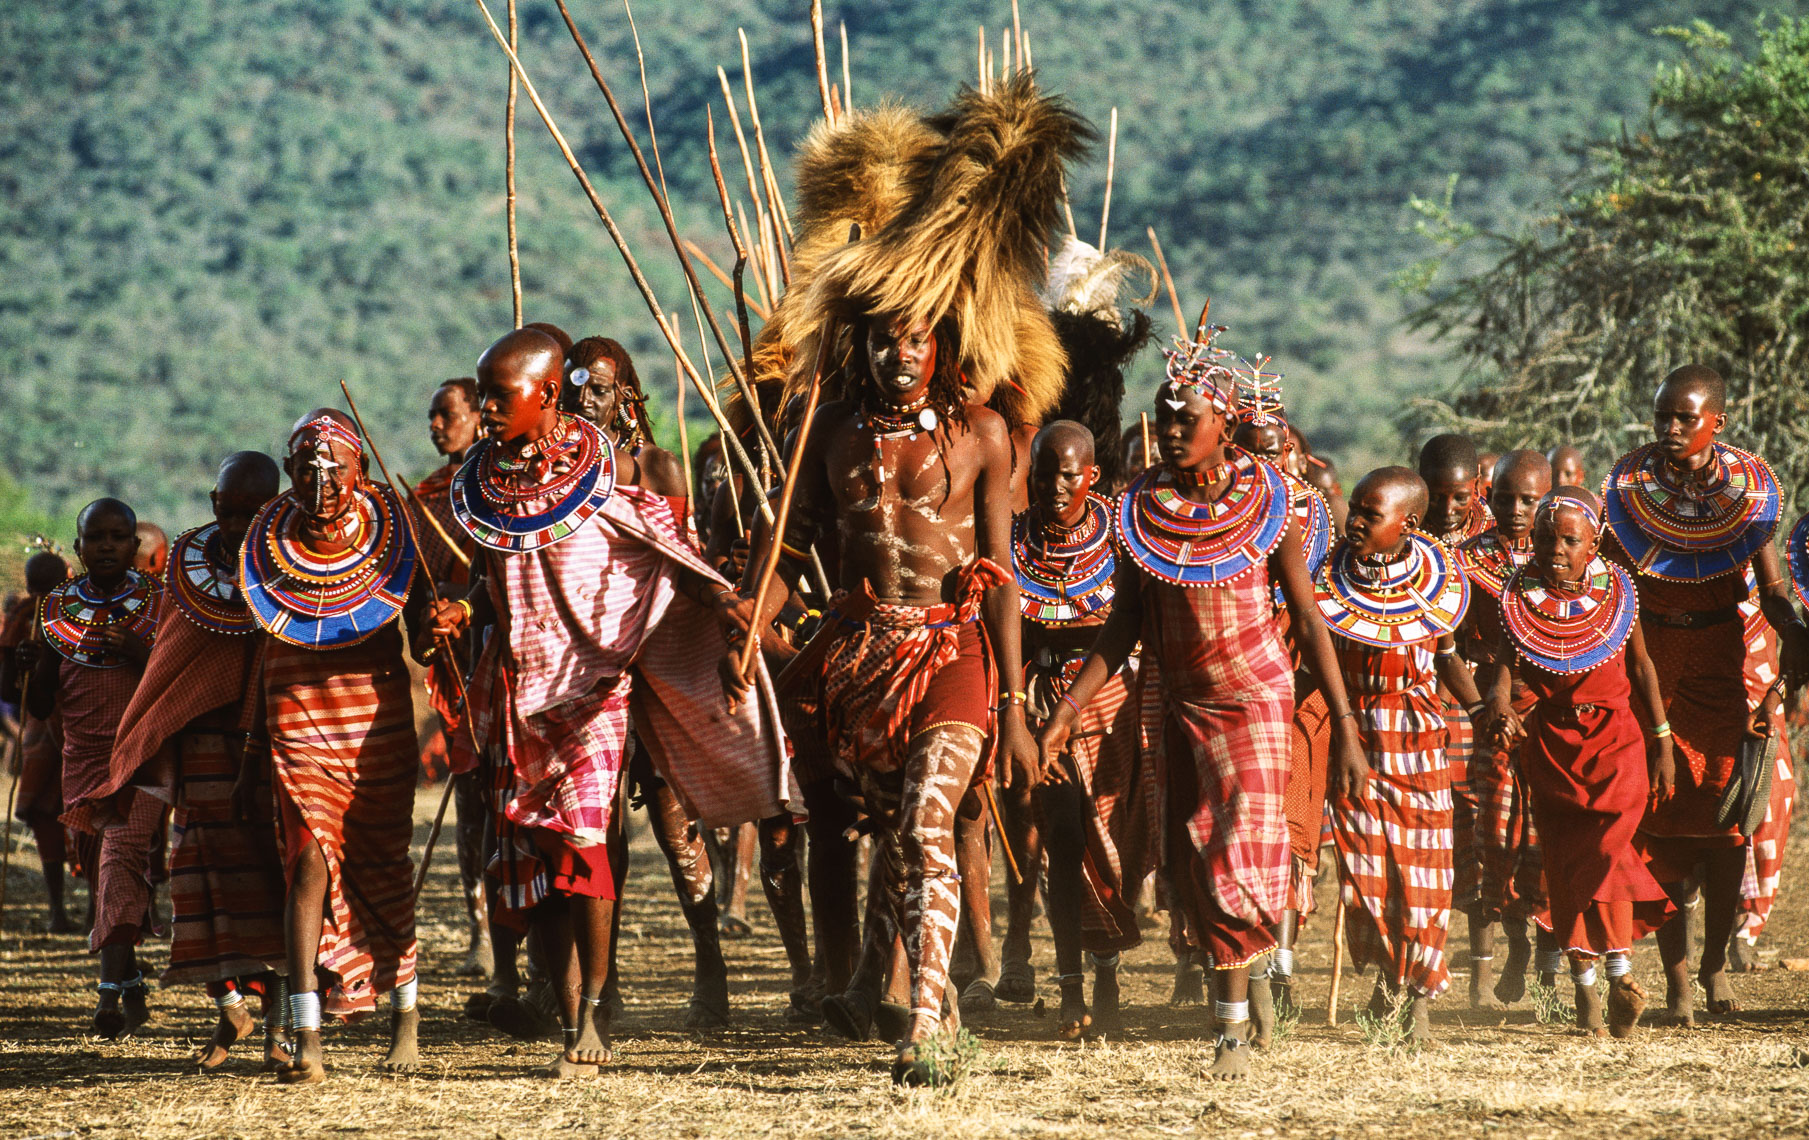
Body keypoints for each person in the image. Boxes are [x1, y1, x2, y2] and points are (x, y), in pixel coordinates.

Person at [426, 328, 790, 1078]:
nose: (487, 410)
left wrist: (729, 606)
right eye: (484, 395)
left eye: (500, 397)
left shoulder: (609, 473)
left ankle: (593, 1008)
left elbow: (668, 557)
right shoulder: (480, 483)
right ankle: (565, 1015)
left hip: (597, 691)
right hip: (519, 696)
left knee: (586, 844)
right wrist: (460, 614)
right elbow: (484, 587)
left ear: (547, 395)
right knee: (540, 859)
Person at [1039, 330, 1367, 1079]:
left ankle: (1229, 1036)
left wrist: (1345, 726)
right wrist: (1066, 709)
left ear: (1223, 421)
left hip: (1254, 697)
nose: (1175, 430)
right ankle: (1245, 992)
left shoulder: (1270, 500)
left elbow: (1309, 620)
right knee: (1193, 859)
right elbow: (1123, 624)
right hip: (1178, 703)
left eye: (1190, 418)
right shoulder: (1139, 509)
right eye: (1166, 417)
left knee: (1235, 851)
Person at [1601, 365, 1806, 1024]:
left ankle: (1715, 962)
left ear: (1717, 420)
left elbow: (1771, 591)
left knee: (1724, 830)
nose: (1668, 429)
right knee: (1660, 828)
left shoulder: (1744, 494)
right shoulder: (1630, 490)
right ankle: (1678, 981)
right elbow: (1610, 584)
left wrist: (1797, 634)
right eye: (1661, 416)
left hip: (1720, 671)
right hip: (1651, 668)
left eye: (1683, 418)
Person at [557, 334, 737, 1029]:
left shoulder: (658, 469)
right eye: (574, 390)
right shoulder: (550, 476)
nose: (584, 401)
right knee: (597, 833)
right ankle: (603, 989)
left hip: (657, 660)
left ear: (626, 398)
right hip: (586, 673)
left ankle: (710, 962)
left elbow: (681, 563)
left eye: (598, 389)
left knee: (675, 828)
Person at [241, 410, 427, 1082]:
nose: (321, 483)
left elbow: (426, 630)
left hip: (373, 724)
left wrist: (450, 629)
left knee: (383, 863)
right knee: (308, 865)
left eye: (336, 469)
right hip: (294, 713)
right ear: (288, 472)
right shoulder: (263, 546)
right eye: (307, 469)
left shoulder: (394, 533)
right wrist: (247, 745)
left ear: (363, 472)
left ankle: (405, 1018)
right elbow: (260, 647)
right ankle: (308, 1033)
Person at [109, 452, 290, 1069]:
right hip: (197, 753)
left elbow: (285, 661)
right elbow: (169, 659)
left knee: (272, 883)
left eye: (252, 511)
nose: (238, 522)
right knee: (201, 882)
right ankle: (230, 1007)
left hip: (267, 751)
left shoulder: (293, 565)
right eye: (228, 508)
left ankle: (279, 1025)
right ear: (212, 501)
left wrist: (258, 742)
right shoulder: (188, 566)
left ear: (274, 504)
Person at [1479, 488, 1676, 1037]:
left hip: (1617, 740)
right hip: (1553, 744)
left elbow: (1641, 668)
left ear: (1594, 544)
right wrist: (1497, 702)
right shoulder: (1518, 594)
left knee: (1611, 846)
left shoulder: (1620, 590)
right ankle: (1594, 985)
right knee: (1567, 864)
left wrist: (1661, 739)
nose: (1555, 548)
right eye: (1546, 538)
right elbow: (1503, 663)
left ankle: (1614, 972)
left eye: (1570, 539)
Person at [1319, 467, 1483, 1043]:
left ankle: (1417, 1001)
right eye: (1355, 509)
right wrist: (1339, 738)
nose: (1355, 521)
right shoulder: (1327, 578)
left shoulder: (1438, 577)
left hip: (1419, 738)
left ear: (1408, 523)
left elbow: (1446, 657)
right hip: (1354, 736)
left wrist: (1481, 710)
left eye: (1370, 514)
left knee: (1426, 874)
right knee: (1368, 870)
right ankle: (1391, 978)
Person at [1012, 420, 1151, 1039]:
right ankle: (1071, 987)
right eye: (1044, 472)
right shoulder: (1012, 540)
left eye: (1069, 474)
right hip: (1040, 701)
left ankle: (1106, 970)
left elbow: (1130, 627)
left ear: (1091, 474)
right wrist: (1017, 713)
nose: (1055, 486)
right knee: (1063, 843)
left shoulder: (1122, 535)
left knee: (1110, 846)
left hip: (1110, 700)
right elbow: (1006, 633)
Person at [17, 499, 162, 1037]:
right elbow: (38, 703)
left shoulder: (158, 607)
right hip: (81, 761)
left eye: (118, 536)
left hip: (141, 759)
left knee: (119, 862)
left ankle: (106, 994)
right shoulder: (56, 614)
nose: (106, 545)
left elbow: (169, 680)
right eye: (94, 537)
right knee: (106, 868)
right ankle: (132, 982)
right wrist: (28, 669)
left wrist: (139, 653)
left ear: (134, 547)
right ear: (78, 549)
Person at [1231, 378, 1334, 1010]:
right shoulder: (1212, 515)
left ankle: (1282, 966)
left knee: (1292, 829)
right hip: (1232, 687)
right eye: (1254, 452)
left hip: (1299, 688)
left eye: (1277, 452)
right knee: (1240, 824)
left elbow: (1333, 606)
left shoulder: (1316, 513)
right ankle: (1238, 954)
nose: (1267, 465)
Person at [1454, 450, 1552, 1006]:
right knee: (1489, 835)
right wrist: (1482, 703)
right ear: (1486, 499)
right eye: (1504, 498)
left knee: (1540, 838)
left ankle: (1537, 951)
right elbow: (1455, 645)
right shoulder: (1467, 563)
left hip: (1548, 715)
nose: (1515, 510)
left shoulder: (1564, 561)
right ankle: (1491, 961)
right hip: (1489, 716)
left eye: (1528, 500)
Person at [413, 376, 492, 979]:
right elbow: (416, 586)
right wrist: (429, 622)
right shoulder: (428, 495)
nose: (436, 426)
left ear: (477, 415)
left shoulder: (502, 487)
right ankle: (481, 930)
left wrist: (471, 603)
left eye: (447, 414)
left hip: (503, 651)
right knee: (470, 794)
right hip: (453, 664)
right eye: (432, 416)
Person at [0, 551, 75, 933]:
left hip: (83, 724)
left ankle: (91, 910)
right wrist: (26, 669)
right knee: (46, 815)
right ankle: (60, 911)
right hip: (42, 729)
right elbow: (7, 686)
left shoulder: (84, 608)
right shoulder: (24, 620)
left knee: (93, 818)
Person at [1419, 434, 1488, 548]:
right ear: (1421, 484)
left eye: (1460, 498)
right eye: (1435, 498)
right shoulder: (1402, 532)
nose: (1448, 511)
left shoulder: (1499, 530)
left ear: (1476, 484)